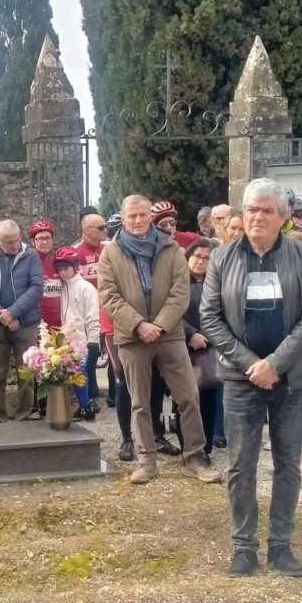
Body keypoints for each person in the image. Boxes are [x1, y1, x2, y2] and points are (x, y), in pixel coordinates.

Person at [199, 178, 302, 577]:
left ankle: (281, 546)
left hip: (290, 378)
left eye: (267, 210)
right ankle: (243, 546)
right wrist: (251, 362)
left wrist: (276, 363)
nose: (258, 217)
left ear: (284, 218)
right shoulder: (222, 257)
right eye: (252, 209)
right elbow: (210, 317)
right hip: (240, 378)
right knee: (240, 464)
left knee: (288, 463)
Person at [99, 195, 220, 486]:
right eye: (132, 217)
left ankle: (194, 458)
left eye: (142, 215)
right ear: (124, 219)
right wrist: (139, 325)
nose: (138, 221)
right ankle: (146, 461)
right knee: (140, 402)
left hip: (170, 335)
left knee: (188, 396)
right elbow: (108, 296)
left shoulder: (172, 249)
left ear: (149, 217)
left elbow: (180, 292)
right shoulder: (111, 253)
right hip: (131, 337)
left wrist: (160, 325)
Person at [0, 219, 43, 421]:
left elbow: (36, 288)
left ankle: (24, 415)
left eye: (17, 240)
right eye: (9, 242)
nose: (14, 245)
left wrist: (12, 312)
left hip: (25, 322)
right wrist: (1, 314)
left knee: (27, 372)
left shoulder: (30, 255)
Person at [183, 238, 223, 461]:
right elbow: (170, 312)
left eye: (206, 258)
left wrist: (208, 335)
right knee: (185, 399)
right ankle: (187, 446)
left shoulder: (217, 283)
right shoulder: (177, 281)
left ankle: (205, 447)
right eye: (196, 256)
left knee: (208, 396)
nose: (200, 261)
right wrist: (190, 333)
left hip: (209, 346)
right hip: (181, 345)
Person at [53, 244, 102, 419]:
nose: (62, 272)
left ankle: (86, 408)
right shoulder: (62, 287)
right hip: (67, 341)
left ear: (75, 267)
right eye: (59, 269)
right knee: (76, 375)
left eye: (66, 268)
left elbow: (93, 316)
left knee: (79, 373)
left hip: (84, 340)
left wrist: (94, 340)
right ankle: (85, 404)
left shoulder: (86, 288)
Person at [75, 212, 108, 405]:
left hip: (109, 308)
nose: (105, 231)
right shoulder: (77, 251)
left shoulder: (108, 249)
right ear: (87, 231)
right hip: (88, 310)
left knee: (105, 351)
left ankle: (105, 391)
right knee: (90, 351)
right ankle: (89, 393)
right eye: (101, 228)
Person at [30, 220, 61, 329]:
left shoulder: (58, 262)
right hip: (38, 325)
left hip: (61, 324)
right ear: (33, 242)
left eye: (48, 238)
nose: (44, 242)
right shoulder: (28, 264)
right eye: (40, 239)